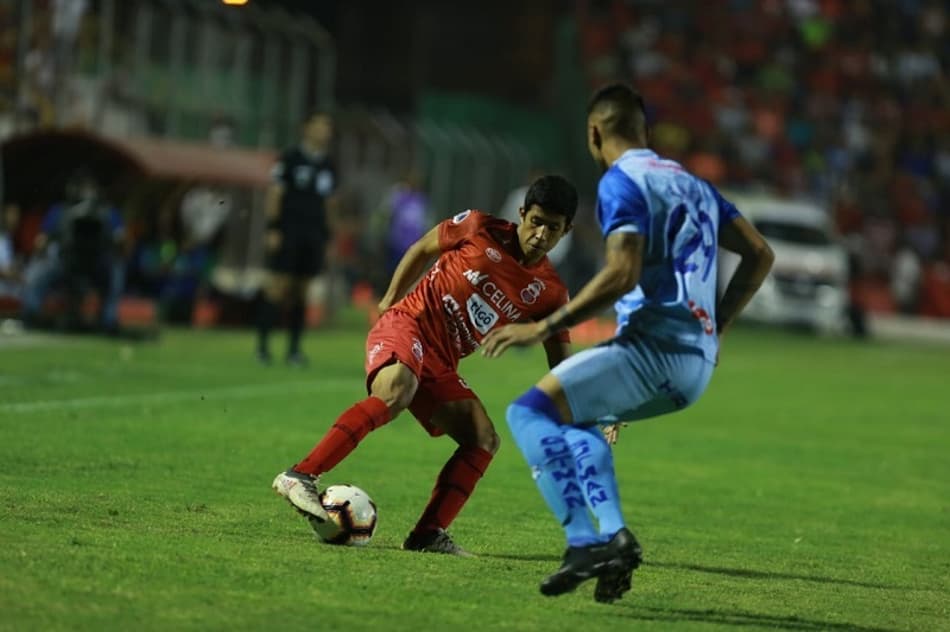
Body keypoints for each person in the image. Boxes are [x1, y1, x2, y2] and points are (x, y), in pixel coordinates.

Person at [481, 83, 775, 601]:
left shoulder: (623, 183)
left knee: (528, 414)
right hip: (695, 367)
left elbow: (620, 272)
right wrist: (719, 326)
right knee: (579, 419)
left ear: (594, 133)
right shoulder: (696, 186)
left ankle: (583, 542)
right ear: (645, 131)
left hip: (648, 350)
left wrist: (541, 327)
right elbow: (759, 254)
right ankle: (616, 537)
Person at [272, 175, 578, 555]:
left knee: (483, 439)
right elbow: (422, 248)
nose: (540, 234)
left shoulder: (550, 291)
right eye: (536, 221)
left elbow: (562, 362)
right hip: (409, 324)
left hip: (441, 362)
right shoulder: (478, 226)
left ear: (567, 231)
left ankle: (427, 534)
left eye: (553, 227)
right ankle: (300, 475)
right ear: (521, 214)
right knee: (398, 389)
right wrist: (388, 301)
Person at [257, 111, 339, 366]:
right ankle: (263, 348)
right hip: (289, 231)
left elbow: (330, 203)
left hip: (314, 234)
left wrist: (329, 236)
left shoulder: (328, 164)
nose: (324, 131)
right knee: (279, 286)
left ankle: (294, 350)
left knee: (303, 290)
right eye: (319, 125)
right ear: (307, 128)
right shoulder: (290, 158)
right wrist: (273, 228)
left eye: (327, 126)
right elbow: (275, 194)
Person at [21, 172, 125, 333]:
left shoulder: (108, 212)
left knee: (116, 271)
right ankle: (32, 314)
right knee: (39, 273)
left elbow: (121, 242)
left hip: (97, 263)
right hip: (67, 262)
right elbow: (41, 243)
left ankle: (108, 320)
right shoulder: (60, 211)